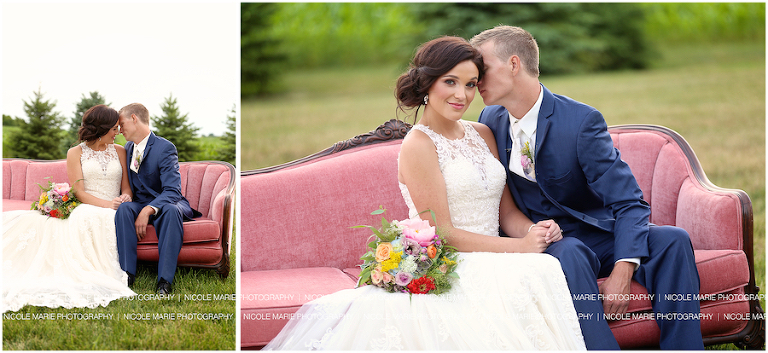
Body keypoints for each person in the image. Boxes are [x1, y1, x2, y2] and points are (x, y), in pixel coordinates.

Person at [263, 36, 586, 350]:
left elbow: (507, 214)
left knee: (541, 266)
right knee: (533, 268)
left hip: (495, 250)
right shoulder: (418, 144)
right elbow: (443, 231)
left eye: (471, 84)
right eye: (451, 82)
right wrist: (520, 248)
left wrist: (534, 232)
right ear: (427, 85)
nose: (462, 94)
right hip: (456, 259)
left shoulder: (483, 133)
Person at [471, 26, 703, 350]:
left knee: (672, 240)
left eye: (482, 69)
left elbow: (629, 202)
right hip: (545, 243)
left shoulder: (580, 121)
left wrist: (623, 268)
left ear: (513, 65)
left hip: (595, 234)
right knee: (571, 252)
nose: (475, 79)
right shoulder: (490, 119)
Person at [3, 104, 136, 312]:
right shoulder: (75, 152)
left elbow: (127, 187)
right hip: (88, 205)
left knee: (108, 218)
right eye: (114, 128)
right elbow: (80, 192)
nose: (118, 132)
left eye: (119, 128)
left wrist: (124, 198)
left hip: (116, 207)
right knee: (86, 217)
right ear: (102, 128)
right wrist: (107, 205)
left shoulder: (120, 151)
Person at [115, 103, 199, 295]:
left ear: (134, 118)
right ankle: (127, 274)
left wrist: (148, 210)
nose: (119, 130)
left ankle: (164, 281)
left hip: (168, 202)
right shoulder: (127, 148)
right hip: (139, 202)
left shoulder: (165, 148)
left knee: (170, 210)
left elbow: (172, 190)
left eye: (122, 124)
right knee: (124, 209)